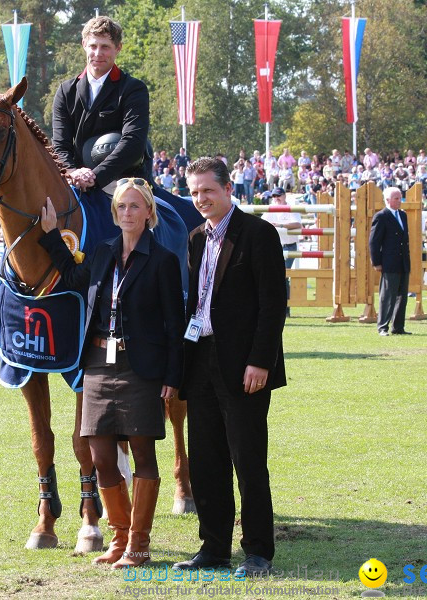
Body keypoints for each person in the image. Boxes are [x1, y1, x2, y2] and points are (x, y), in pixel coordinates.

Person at [37, 177, 185, 569]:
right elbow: (71, 277)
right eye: (121, 207)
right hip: (99, 366)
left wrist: (172, 377)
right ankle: (119, 538)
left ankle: (138, 543)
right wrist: (52, 235)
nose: (127, 213)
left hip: (142, 370)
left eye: (135, 206)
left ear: (149, 212)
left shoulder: (164, 260)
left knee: (142, 455)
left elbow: (174, 324)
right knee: (100, 456)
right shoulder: (102, 252)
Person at [172, 158, 285, 578]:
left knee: (248, 461)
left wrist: (261, 361)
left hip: (245, 367)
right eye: (195, 191)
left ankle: (258, 553)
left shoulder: (259, 234)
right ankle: (214, 548)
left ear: (227, 189)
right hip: (200, 361)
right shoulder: (195, 238)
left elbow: (274, 305)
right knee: (206, 461)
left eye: (208, 191)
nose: (201, 199)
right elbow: (193, 305)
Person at [51, 16, 152, 193]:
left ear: (118, 48)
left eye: (105, 47)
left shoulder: (133, 89)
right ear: (84, 45)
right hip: (77, 181)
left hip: (125, 183)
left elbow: (133, 142)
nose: (98, 53)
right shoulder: (66, 91)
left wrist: (96, 177)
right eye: (93, 46)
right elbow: (60, 145)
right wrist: (73, 173)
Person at [368, 186, 411, 336]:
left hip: (403, 261)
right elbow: (374, 242)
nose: (400, 201)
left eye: (400, 198)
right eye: (396, 198)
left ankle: (398, 327)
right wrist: (376, 262)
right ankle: (382, 326)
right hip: (389, 262)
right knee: (387, 296)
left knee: (402, 296)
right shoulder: (381, 216)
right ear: (387, 200)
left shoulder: (403, 215)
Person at [260, 187, 302, 317]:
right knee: (273, 277)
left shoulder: (291, 208)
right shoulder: (270, 208)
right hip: (274, 246)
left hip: (289, 246)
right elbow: (260, 222)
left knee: (283, 276)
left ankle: (285, 309)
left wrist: (280, 226)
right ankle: (274, 307)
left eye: (278, 196)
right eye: (274, 196)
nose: (276, 198)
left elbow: (297, 224)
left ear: (284, 196)